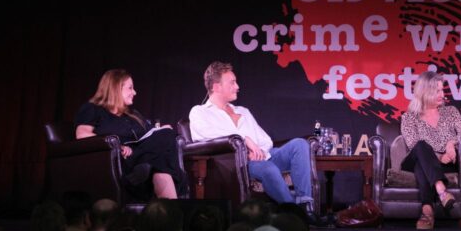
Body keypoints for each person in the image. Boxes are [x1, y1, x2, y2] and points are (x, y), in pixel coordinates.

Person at [189, 62, 312, 209]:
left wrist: (258, 152)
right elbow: (203, 136)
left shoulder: (243, 111)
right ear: (216, 87)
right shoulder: (200, 112)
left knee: (300, 144)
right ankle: (293, 211)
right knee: (268, 169)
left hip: (264, 156)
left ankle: (306, 206)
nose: (237, 87)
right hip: (238, 163)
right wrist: (245, 141)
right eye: (232, 83)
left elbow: (266, 140)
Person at [76, 69, 187, 199]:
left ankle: (165, 206)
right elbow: (82, 134)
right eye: (130, 88)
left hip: (142, 158)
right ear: (116, 88)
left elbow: (150, 136)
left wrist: (161, 130)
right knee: (162, 159)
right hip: (122, 159)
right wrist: (118, 146)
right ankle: (177, 196)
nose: (134, 92)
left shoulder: (132, 115)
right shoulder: (93, 109)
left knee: (165, 139)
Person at [400, 71, 461, 230]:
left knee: (423, 168)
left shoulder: (451, 112)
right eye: (437, 91)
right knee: (420, 146)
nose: (442, 94)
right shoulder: (409, 117)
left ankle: (427, 212)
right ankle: (442, 191)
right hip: (415, 159)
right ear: (424, 92)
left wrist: (451, 144)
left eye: (442, 90)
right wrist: (439, 156)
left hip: (442, 163)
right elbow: (413, 145)